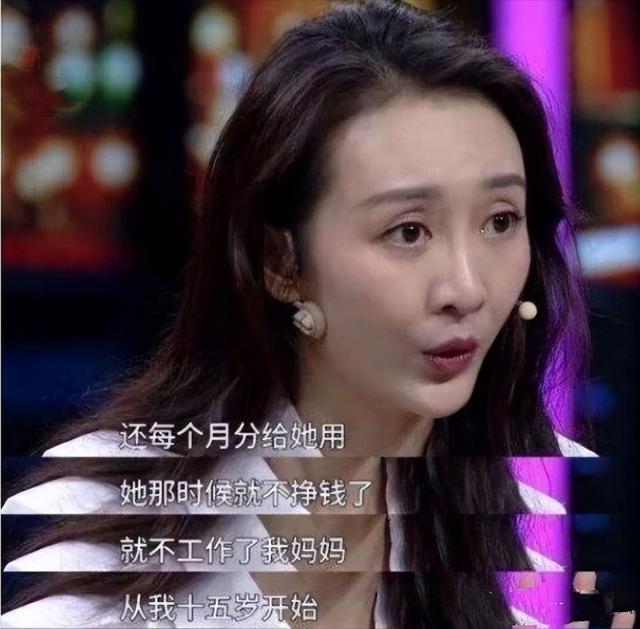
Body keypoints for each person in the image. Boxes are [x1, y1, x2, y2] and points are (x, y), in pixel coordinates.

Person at [1, 0, 634, 627]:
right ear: (281, 261)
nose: (467, 289)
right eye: (408, 231)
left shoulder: (509, 549)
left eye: (499, 221)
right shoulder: (114, 581)